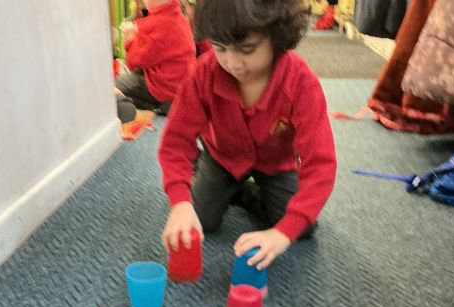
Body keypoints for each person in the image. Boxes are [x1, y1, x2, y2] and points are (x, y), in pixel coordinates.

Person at [159, 0, 336, 270]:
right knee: (201, 218)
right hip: (222, 156)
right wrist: (180, 202)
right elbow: (175, 142)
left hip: (276, 164)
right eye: (220, 48)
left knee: (302, 227)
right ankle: (217, 177)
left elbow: (320, 163)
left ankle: (245, 193)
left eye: (247, 49)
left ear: (277, 35)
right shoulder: (203, 73)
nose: (232, 63)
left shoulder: (301, 82)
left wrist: (282, 233)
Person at [115, 0, 196, 123]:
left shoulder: (160, 24)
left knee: (119, 84)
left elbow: (133, 62)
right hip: (183, 86)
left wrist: (130, 37)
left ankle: (130, 106)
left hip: (165, 90)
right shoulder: (177, 16)